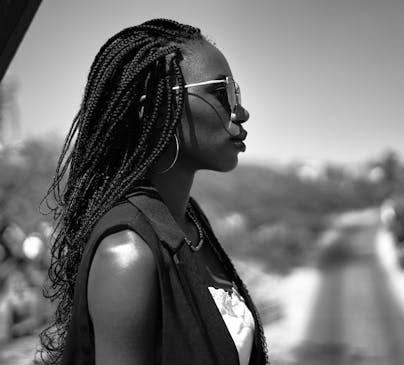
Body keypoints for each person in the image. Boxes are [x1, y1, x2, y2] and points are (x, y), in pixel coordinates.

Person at [38, 18, 268, 365]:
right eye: (222, 93)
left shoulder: (190, 225)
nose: (241, 111)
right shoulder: (128, 253)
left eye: (237, 93)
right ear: (156, 110)